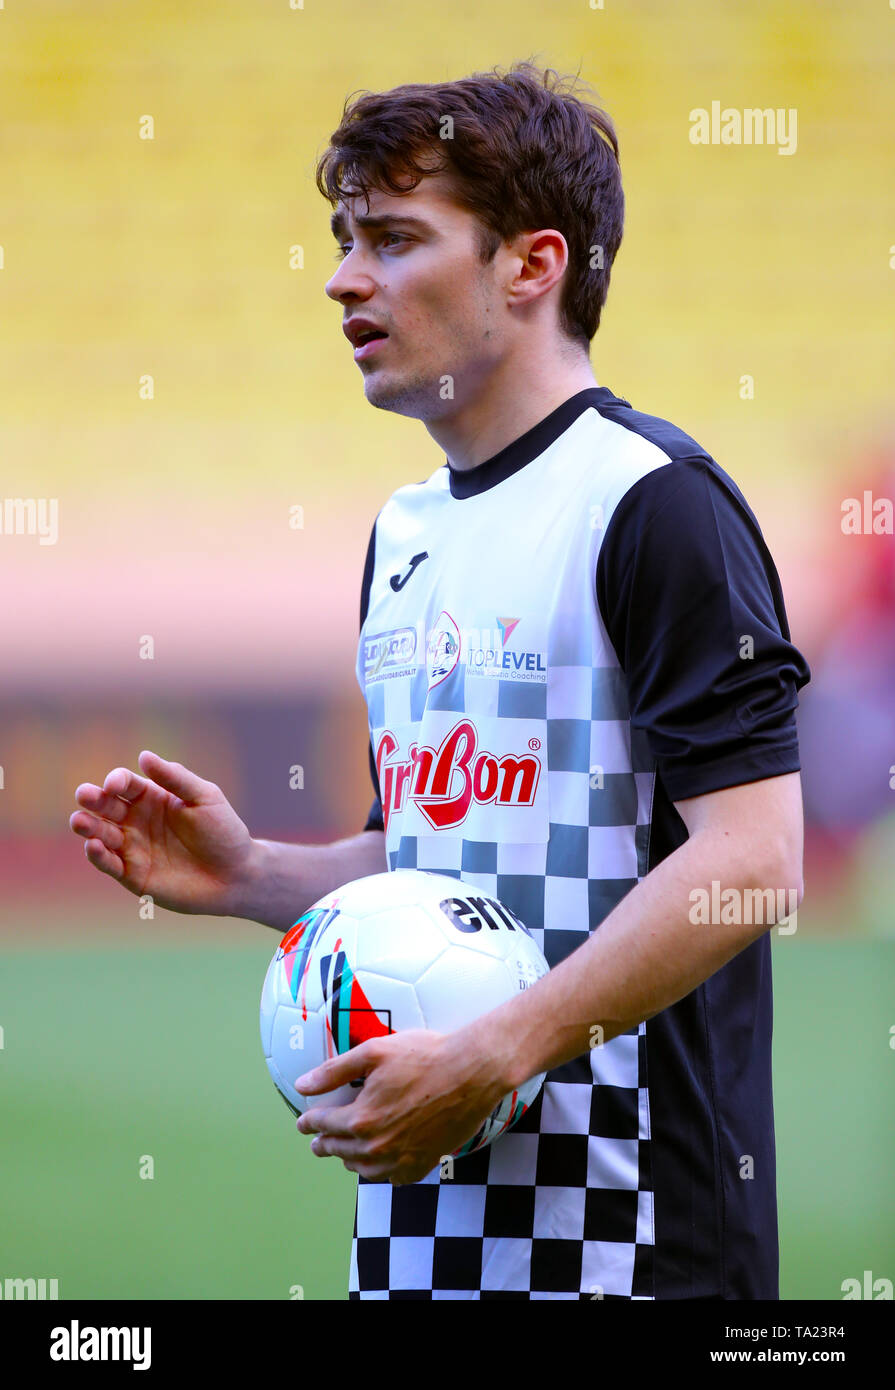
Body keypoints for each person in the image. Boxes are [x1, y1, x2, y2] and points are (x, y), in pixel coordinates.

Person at [70, 61, 810, 1300]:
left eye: (394, 239)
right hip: (424, 1242)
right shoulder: (406, 532)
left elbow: (751, 860)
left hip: (639, 1245)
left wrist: (501, 1046)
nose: (343, 277)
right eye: (343, 239)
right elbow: (442, 859)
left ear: (531, 264)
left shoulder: (653, 505)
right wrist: (257, 875)